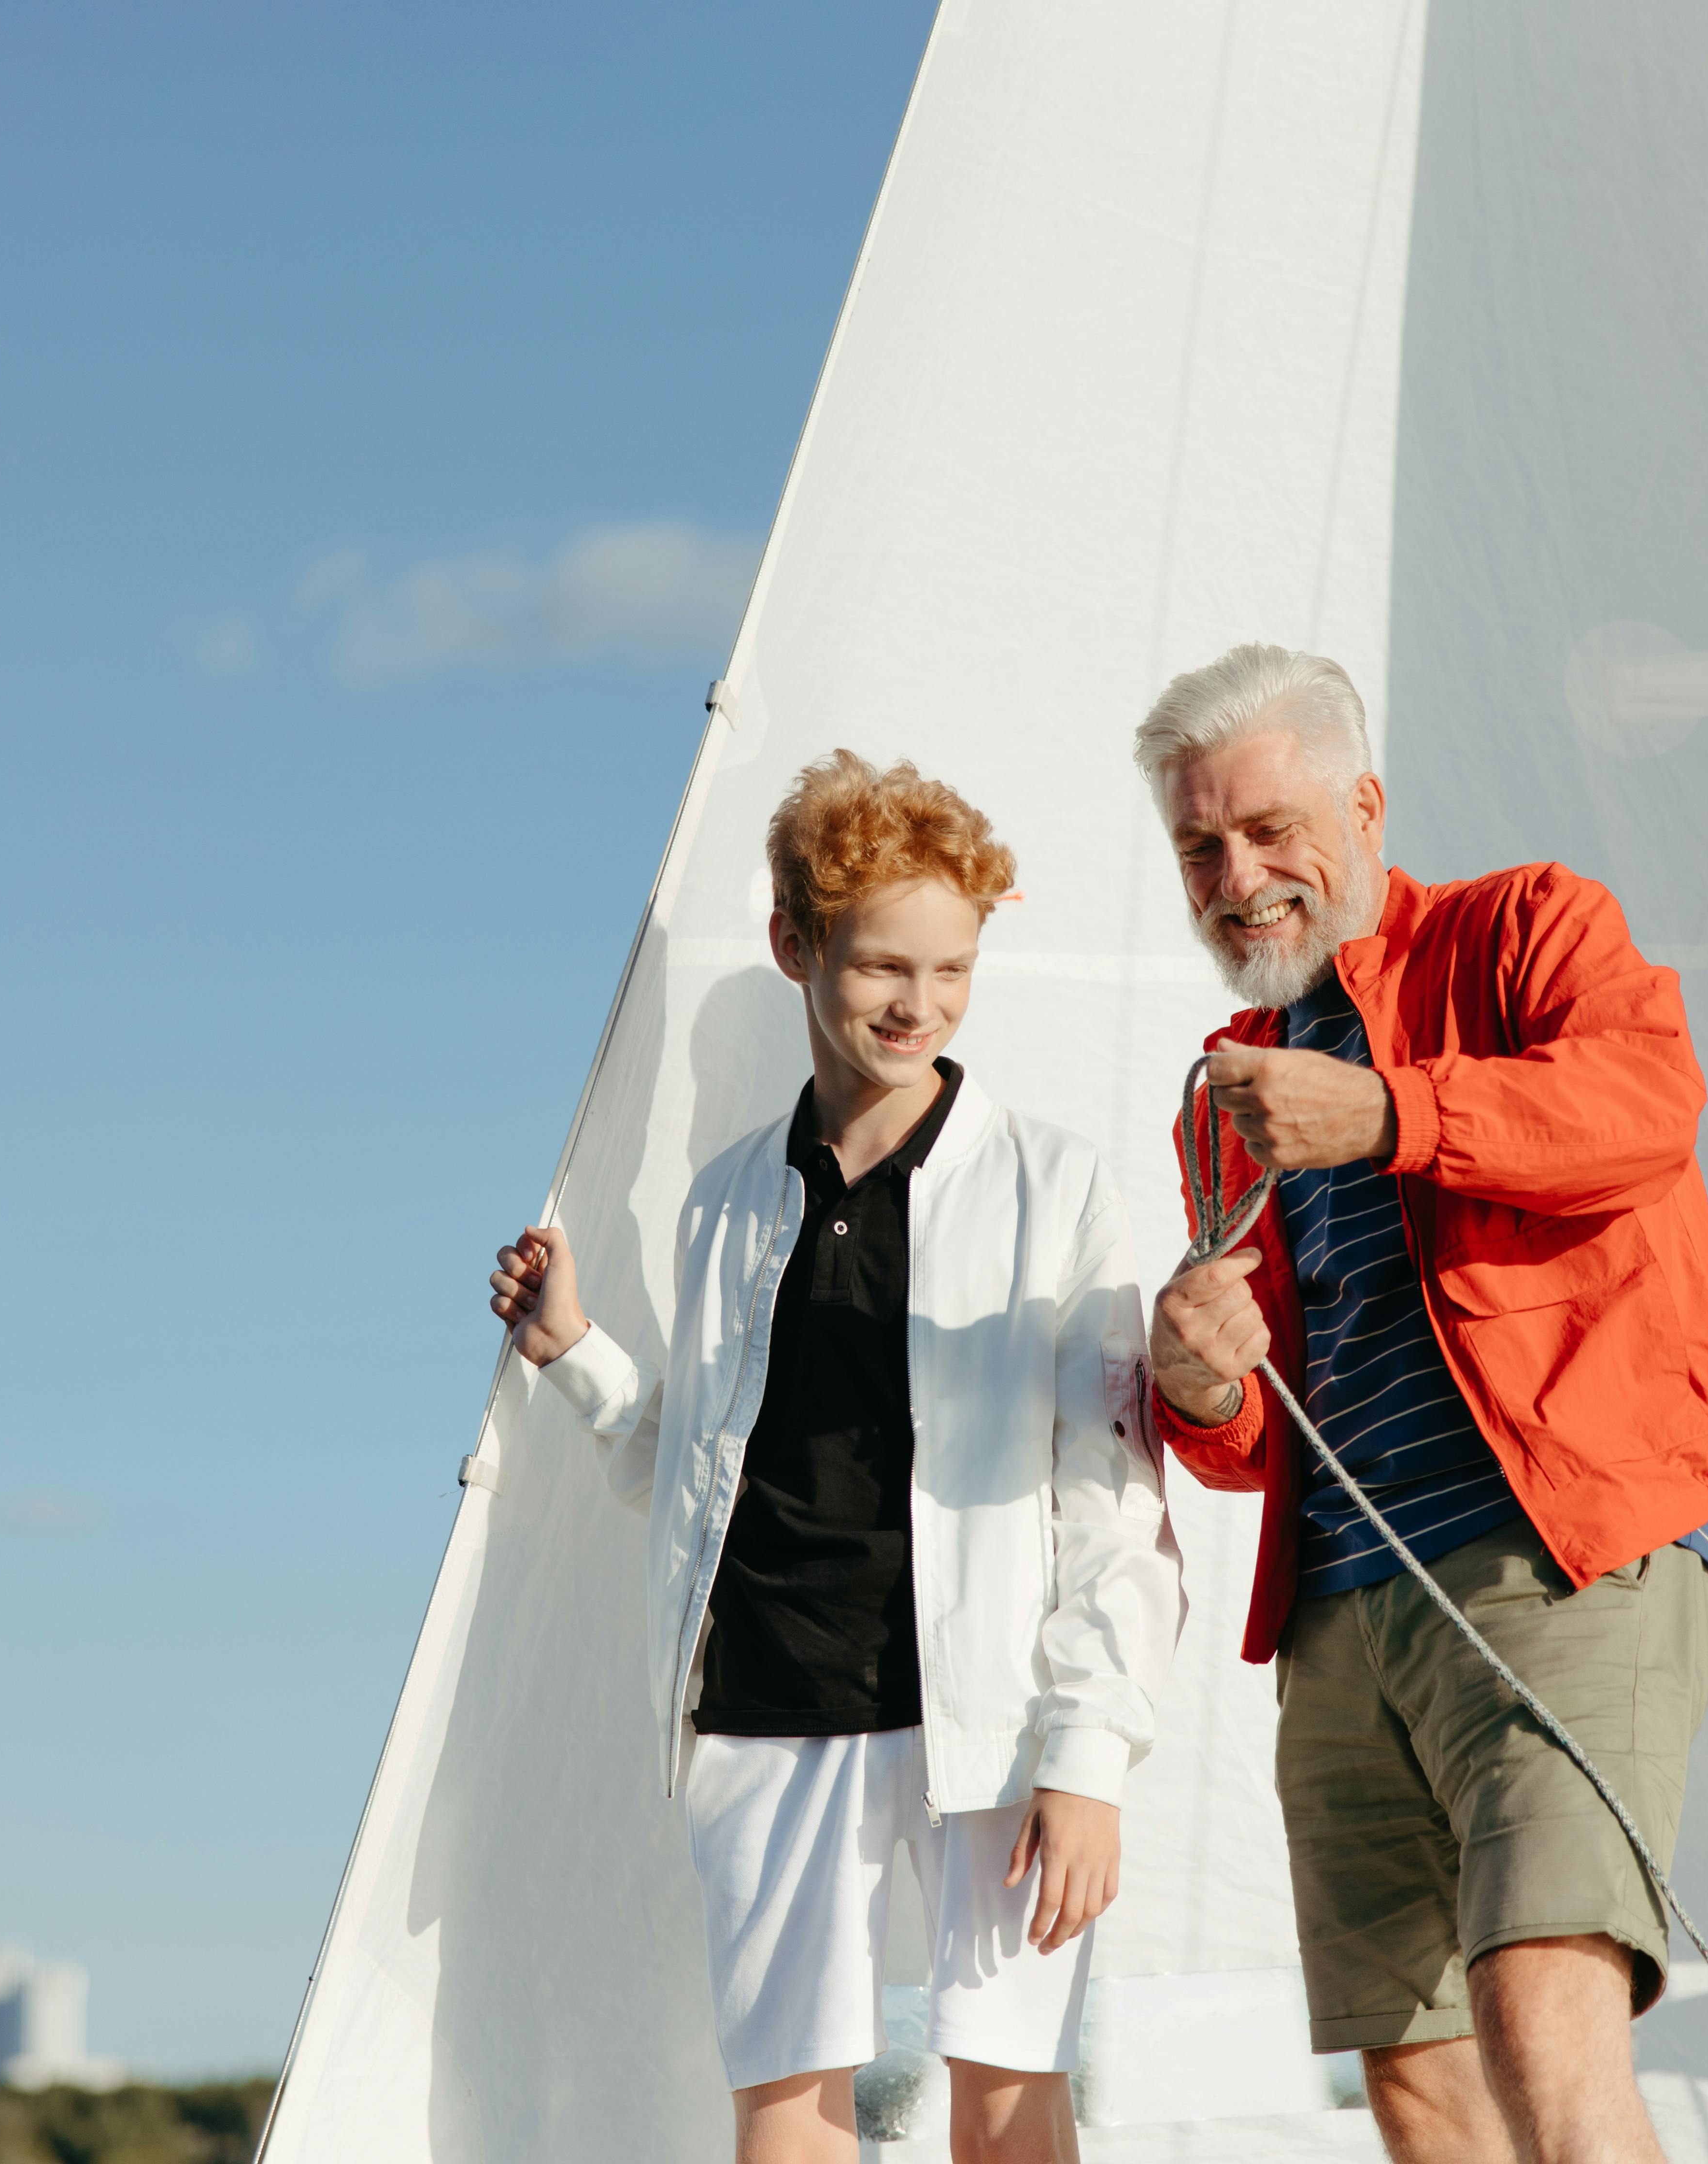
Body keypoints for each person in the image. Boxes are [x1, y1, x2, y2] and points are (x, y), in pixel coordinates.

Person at [486, 751, 1184, 2164]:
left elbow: (1109, 1491)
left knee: (1012, 2098)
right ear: (794, 946)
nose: (918, 1003)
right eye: (881, 965)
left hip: (993, 1714)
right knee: (785, 2114)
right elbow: (704, 1481)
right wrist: (576, 1354)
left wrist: (1089, 1753)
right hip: (766, 1697)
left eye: (953, 969)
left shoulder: (1054, 1183)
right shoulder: (726, 1198)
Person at [1132, 646, 1708, 2164]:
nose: (1238, 878)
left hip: (1553, 1563)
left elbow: (1649, 1106)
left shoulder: (1529, 924)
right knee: (1411, 2077)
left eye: (1269, 828)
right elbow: (1256, 1434)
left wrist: (1395, 1110)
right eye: (1199, 847)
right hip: (1339, 1613)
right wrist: (1201, 1380)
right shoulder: (1222, 1091)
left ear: (1366, 808)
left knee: (1540, 2008)